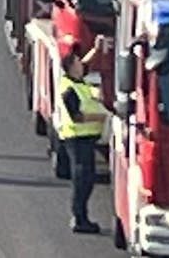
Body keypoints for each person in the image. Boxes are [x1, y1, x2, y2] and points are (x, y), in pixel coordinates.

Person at [56, 46, 107, 234]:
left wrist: (97, 48)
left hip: (86, 139)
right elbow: (76, 117)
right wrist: (102, 118)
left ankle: (82, 217)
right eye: (77, 63)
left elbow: (86, 63)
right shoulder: (69, 90)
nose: (81, 65)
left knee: (88, 177)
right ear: (71, 68)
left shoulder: (77, 81)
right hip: (77, 139)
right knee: (82, 179)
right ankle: (79, 218)